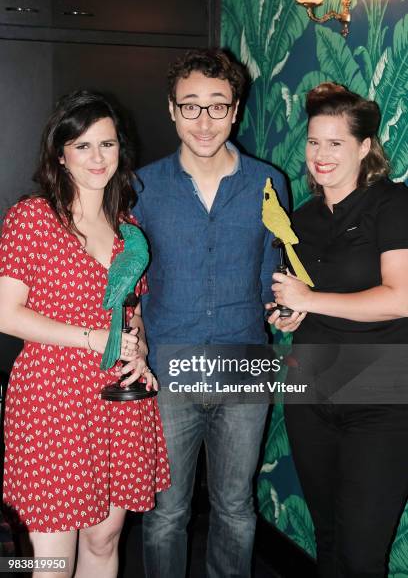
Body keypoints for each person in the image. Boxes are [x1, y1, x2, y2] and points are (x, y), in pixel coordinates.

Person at [0, 90, 170, 578]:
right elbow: (8, 314)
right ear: (60, 154)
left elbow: (131, 312)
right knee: (53, 555)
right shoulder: (33, 218)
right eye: (83, 146)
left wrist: (137, 346)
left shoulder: (127, 229)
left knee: (104, 537)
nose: (98, 158)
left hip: (117, 398)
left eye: (108, 144)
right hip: (52, 397)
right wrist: (91, 339)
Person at [133, 47, 288, 578]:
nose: (204, 121)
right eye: (191, 106)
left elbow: (274, 267)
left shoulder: (269, 183)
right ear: (172, 110)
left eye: (218, 106)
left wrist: (285, 305)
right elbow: (126, 276)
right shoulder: (140, 187)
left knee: (236, 507)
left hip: (244, 364)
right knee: (166, 514)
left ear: (236, 110)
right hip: (168, 366)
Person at [267, 82, 408, 577]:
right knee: (327, 540)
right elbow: (304, 303)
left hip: (382, 400)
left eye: (335, 143)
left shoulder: (391, 204)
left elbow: (401, 297)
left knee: (362, 553)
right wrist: (289, 313)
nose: (320, 155)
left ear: (365, 147)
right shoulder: (300, 221)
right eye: (312, 141)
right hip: (311, 392)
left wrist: (311, 299)